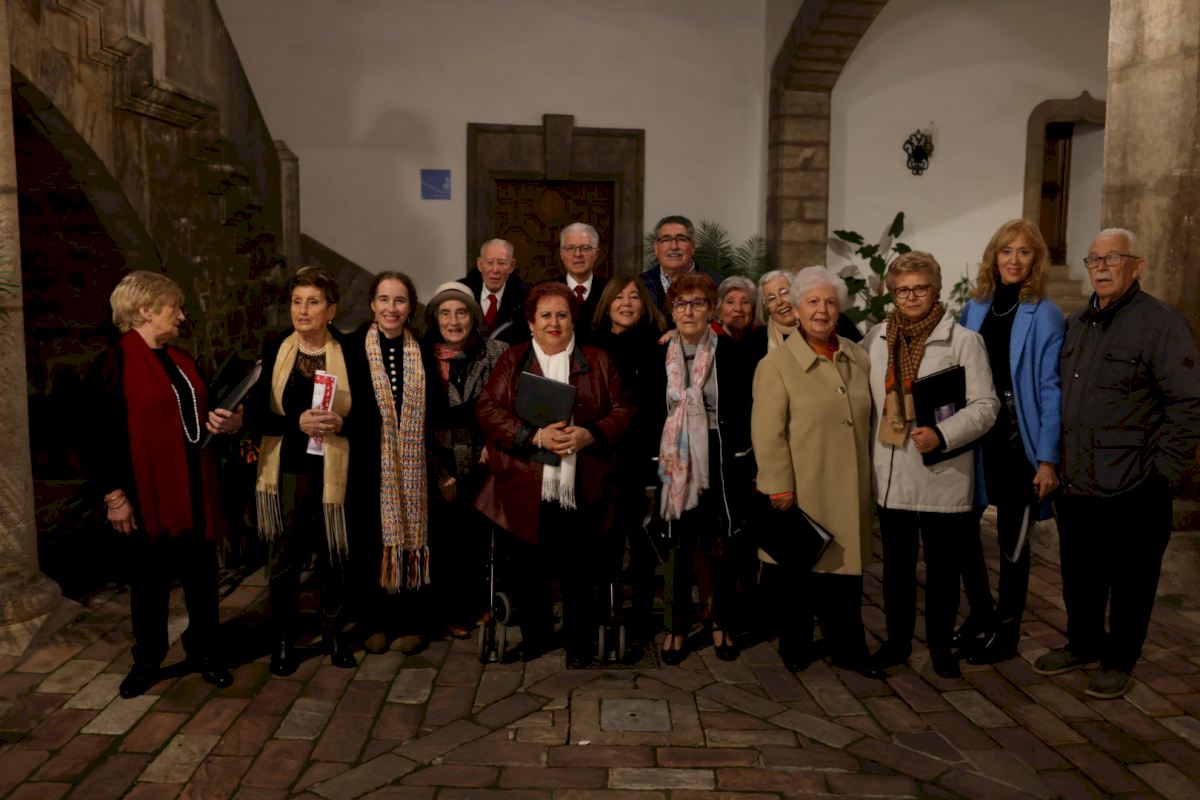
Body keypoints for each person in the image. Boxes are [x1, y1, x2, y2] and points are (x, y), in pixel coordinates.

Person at [1034, 228, 1200, 699]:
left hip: (1135, 483)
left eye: (1113, 258)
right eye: (1094, 260)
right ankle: (1083, 643)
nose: (1102, 267)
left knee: (1132, 583)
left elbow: (1189, 403)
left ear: (1137, 265)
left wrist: (1163, 474)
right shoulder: (1078, 322)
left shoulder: (1161, 324)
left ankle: (1120, 660)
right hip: (1077, 481)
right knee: (1080, 576)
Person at [85, 270, 240, 698]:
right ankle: (148, 660)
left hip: (195, 487)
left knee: (202, 577)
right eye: (175, 308)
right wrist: (114, 497)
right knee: (149, 583)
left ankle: (205, 651)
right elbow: (96, 438)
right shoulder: (113, 364)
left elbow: (199, 417)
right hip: (145, 493)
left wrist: (226, 422)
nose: (182, 316)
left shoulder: (182, 359)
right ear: (146, 310)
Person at [475, 282, 633, 668]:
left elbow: (622, 411)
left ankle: (579, 642)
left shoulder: (597, 360)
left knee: (581, 567)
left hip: (583, 482)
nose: (554, 322)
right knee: (528, 566)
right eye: (545, 315)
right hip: (523, 480)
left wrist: (590, 434)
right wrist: (534, 436)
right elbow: (489, 409)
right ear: (531, 322)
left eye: (562, 315)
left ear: (573, 320)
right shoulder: (513, 359)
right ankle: (537, 636)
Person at [864, 251, 998, 679]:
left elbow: (986, 405)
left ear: (935, 290)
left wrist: (943, 434)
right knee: (897, 569)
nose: (911, 297)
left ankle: (940, 646)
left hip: (942, 470)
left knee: (942, 569)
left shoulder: (963, 341)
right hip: (892, 471)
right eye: (902, 290)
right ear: (892, 292)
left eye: (920, 288)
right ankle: (897, 642)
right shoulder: (877, 338)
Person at [751, 267, 883, 679]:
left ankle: (849, 648)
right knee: (800, 571)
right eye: (812, 302)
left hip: (850, 486)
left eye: (829, 302)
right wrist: (778, 487)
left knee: (846, 577)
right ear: (795, 310)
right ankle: (796, 644)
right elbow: (767, 433)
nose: (822, 310)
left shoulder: (858, 357)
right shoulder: (775, 365)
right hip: (804, 486)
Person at [957, 220, 1064, 664]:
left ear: (1035, 260)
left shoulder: (1046, 313)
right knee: (962, 530)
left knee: (1012, 543)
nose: (1014, 260)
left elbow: (1051, 388)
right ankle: (981, 612)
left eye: (1023, 252)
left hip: (1019, 441)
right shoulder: (974, 308)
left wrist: (1048, 459)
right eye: (1006, 251)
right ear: (994, 257)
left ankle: (1007, 632)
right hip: (977, 437)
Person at [250, 266, 358, 676]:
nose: (303, 310)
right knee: (285, 559)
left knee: (335, 556)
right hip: (288, 471)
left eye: (313, 302)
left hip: (335, 472)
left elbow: (368, 416)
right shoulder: (276, 347)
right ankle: (283, 640)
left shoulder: (350, 351)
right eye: (297, 302)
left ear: (331, 310)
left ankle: (334, 635)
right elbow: (257, 416)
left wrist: (341, 423)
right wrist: (296, 421)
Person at [657, 273, 757, 665]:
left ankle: (722, 623)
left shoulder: (731, 353)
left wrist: (745, 458)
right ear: (672, 310)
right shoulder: (660, 353)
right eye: (681, 304)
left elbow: (747, 408)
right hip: (675, 455)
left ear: (711, 310)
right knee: (677, 545)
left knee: (722, 545)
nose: (689, 311)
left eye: (697, 303)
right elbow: (650, 411)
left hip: (721, 455)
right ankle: (676, 627)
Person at [345, 271, 442, 656]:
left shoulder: (422, 352)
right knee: (372, 541)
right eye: (384, 299)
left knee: (415, 542)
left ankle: (411, 622)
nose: (391, 307)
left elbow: (434, 411)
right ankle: (375, 621)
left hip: (414, 467)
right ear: (372, 304)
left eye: (399, 300)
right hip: (368, 465)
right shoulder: (352, 349)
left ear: (410, 307)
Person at [424, 280, 509, 640]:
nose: (453, 321)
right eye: (445, 313)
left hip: (481, 453)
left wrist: (493, 441)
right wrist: (436, 469)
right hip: (434, 455)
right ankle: (448, 610)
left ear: (474, 317)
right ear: (435, 319)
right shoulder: (421, 355)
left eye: (461, 313)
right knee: (444, 536)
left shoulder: (497, 352)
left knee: (478, 533)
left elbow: (506, 403)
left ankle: (480, 603)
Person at [590, 276, 667, 647]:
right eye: (618, 297)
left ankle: (641, 615)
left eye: (634, 297)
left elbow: (661, 407)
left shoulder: (658, 345)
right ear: (607, 305)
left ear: (645, 304)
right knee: (604, 539)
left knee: (642, 540)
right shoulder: (590, 346)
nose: (626, 303)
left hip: (642, 454)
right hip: (601, 453)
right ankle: (605, 610)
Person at [753, 268, 861, 359]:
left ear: (798, 293)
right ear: (766, 307)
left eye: (784, 292)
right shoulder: (758, 340)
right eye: (771, 299)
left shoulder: (834, 321)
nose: (779, 302)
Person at [638, 215, 724, 320]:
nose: (674, 246)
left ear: (693, 246)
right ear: (656, 248)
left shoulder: (717, 283)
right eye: (666, 240)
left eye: (681, 239)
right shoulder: (640, 285)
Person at [461, 239, 530, 346]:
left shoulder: (525, 300)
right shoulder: (461, 294)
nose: (495, 270)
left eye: (502, 263)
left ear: (512, 266)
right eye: (489, 263)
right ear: (480, 264)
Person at [557, 222, 608, 343]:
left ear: (596, 254)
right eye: (570, 248)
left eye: (585, 248)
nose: (578, 254)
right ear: (562, 254)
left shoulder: (610, 291)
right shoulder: (546, 291)